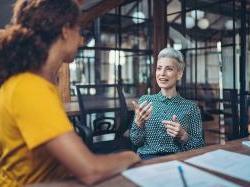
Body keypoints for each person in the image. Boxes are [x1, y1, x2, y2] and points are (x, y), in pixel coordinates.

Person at [0, 0, 140, 186]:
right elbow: (90, 171)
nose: (81, 39)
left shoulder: (37, 83)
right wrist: (130, 157)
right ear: (66, 30)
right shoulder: (29, 87)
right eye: (79, 29)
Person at [130, 47, 205, 160]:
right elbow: (136, 141)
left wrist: (183, 136)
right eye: (159, 68)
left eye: (169, 69)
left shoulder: (191, 107)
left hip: (177, 160)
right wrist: (138, 123)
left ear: (179, 74)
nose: (162, 73)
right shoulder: (145, 101)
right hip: (147, 160)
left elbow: (200, 146)